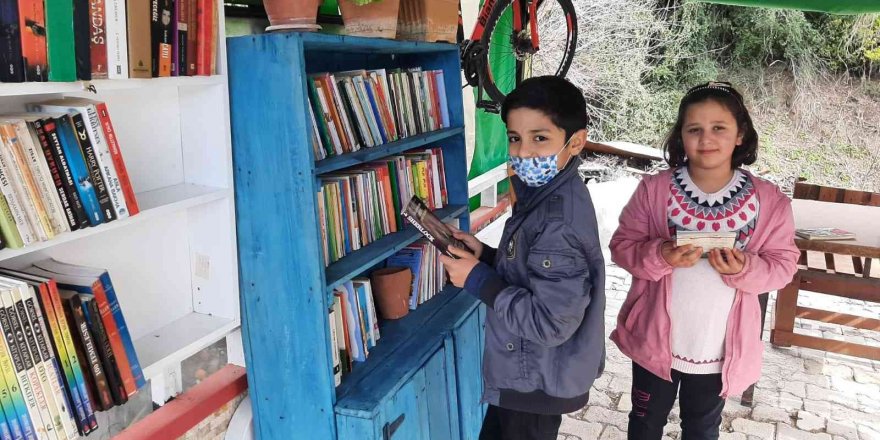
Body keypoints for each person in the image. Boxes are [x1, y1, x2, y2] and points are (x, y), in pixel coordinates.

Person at [609, 81, 800, 439]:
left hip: (719, 351)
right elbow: (623, 246)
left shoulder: (769, 201)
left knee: (701, 427)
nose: (705, 138)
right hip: (656, 343)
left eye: (719, 128)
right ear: (680, 136)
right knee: (645, 421)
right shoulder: (655, 191)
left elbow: (784, 265)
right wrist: (659, 254)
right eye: (694, 129)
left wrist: (746, 268)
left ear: (740, 135)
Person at [440, 76, 606, 440]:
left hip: (536, 381)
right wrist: (483, 256)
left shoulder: (557, 221)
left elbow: (549, 322)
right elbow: (532, 268)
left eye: (540, 138)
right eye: (515, 138)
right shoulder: (544, 193)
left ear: (575, 141)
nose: (523, 152)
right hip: (529, 375)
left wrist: (477, 279)